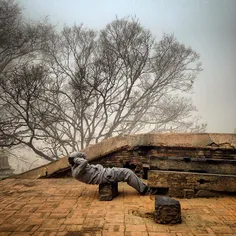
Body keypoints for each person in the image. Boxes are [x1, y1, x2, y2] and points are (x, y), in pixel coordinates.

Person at [68, 151, 157, 195]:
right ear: (77, 160)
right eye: (79, 158)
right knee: (127, 173)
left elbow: (83, 158)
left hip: (105, 173)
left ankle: (143, 187)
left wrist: (76, 157)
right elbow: (84, 162)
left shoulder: (77, 167)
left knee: (126, 171)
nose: (82, 158)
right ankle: (145, 191)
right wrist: (76, 158)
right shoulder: (76, 172)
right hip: (105, 176)